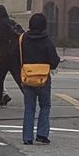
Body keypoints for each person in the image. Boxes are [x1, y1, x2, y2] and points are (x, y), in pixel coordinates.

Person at [18, 10, 60, 145]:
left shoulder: (23, 38)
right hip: (43, 78)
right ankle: (42, 134)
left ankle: (27, 137)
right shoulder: (47, 40)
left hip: (27, 76)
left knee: (29, 108)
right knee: (45, 106)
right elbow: (54, 60)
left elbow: (18, 56)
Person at [0, 5, 22, 105]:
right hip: (15, 55)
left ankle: (0, 99)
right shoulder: (12, 22)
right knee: (19, 79)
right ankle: (29, 96)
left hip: (3, 56)